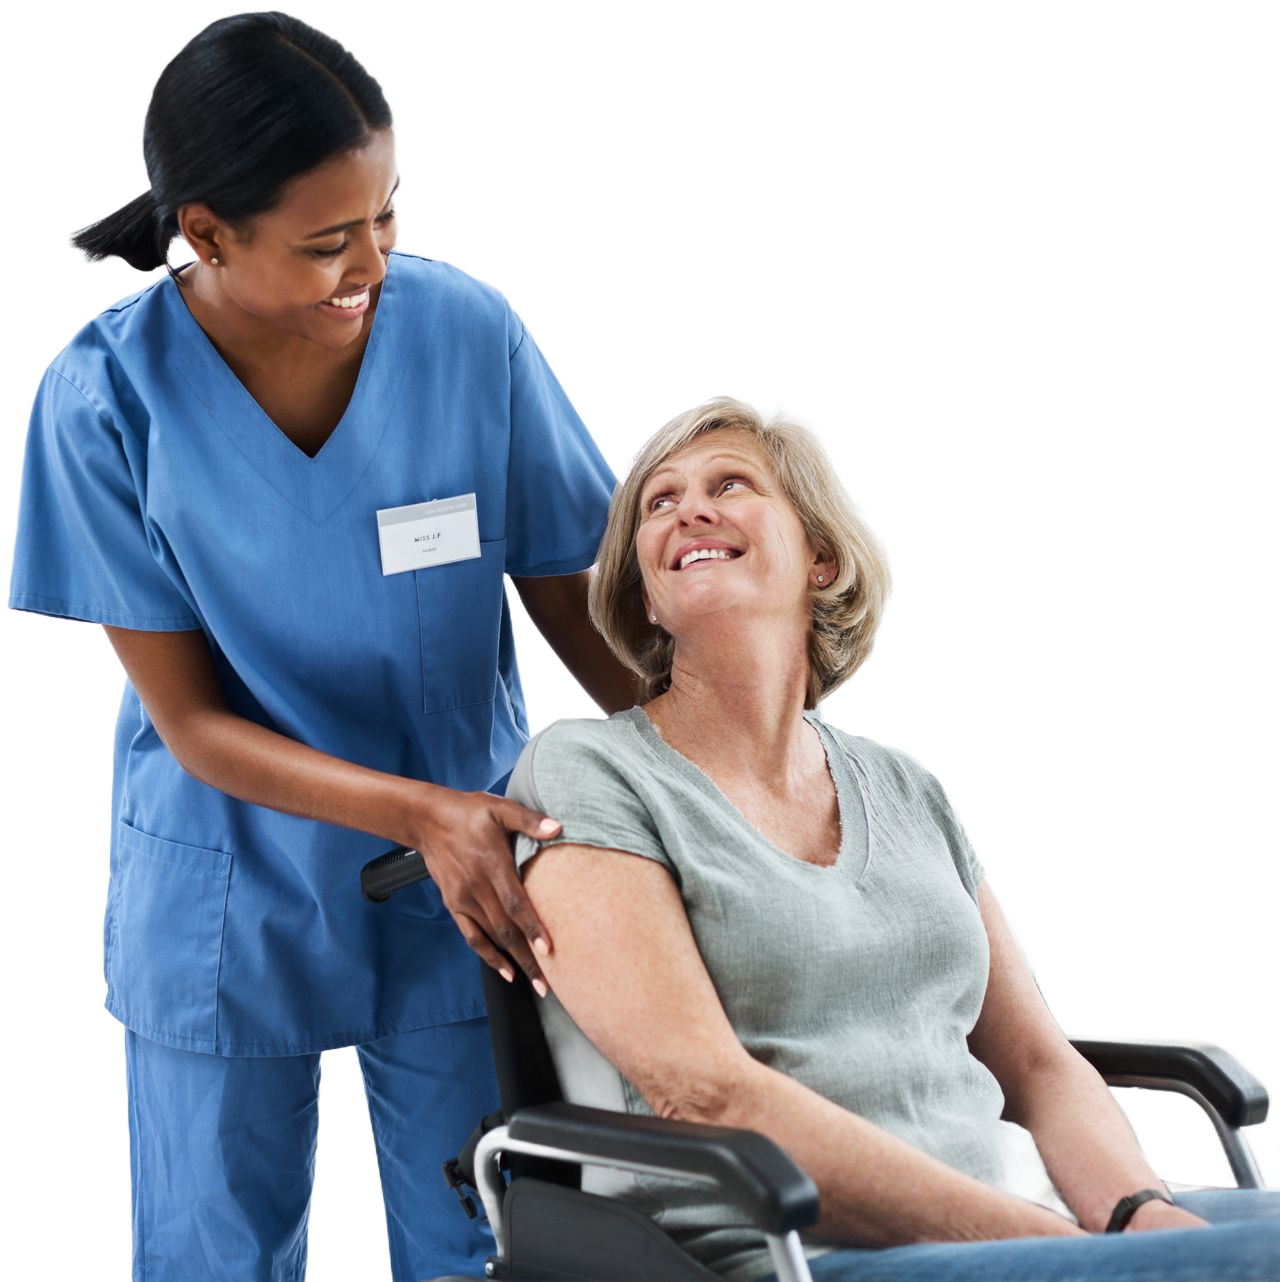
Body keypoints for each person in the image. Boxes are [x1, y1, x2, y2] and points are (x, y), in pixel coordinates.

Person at [5, 11, 639, 1282]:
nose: (371, 264)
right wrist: (424, 813)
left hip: (472, 884)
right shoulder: (102, 400)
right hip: (228, 888)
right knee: (213, 1259)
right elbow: (188, 721)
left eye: (388, 216)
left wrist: (703, 785)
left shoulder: (468, 333)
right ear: (204, 234)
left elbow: (583, 603)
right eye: (324, 242)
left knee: (489, 1248)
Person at [502, 392, 1278, 1282]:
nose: (689, 510)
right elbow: (701, 1090)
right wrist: (1057, 1251)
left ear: (823, 560)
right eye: (658, 502)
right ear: (644, 588)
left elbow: (1033, 1060)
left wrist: (1137, 1218)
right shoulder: (591, 768)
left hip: (1039, 1225)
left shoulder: (904, 783)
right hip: (806, 1248)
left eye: (730, 484)